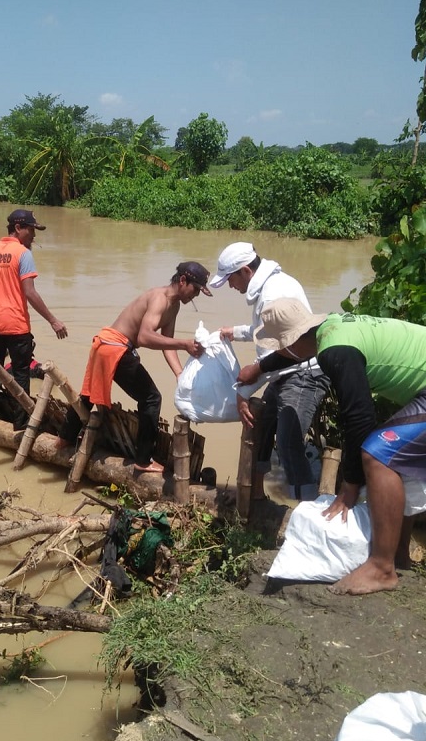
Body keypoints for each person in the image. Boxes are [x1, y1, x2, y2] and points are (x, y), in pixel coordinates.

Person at [240, 298, 426, 596]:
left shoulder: (336, 352)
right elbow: (295, 353)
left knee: (378, 454)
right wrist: (259, 368)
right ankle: (399, 556)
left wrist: (350, 487)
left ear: (291, 341)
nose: (280, 352)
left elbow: (359, 418)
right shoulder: (332, 328)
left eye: (280, 346)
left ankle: (382, 568)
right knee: (393, 451)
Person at [58, 262, 210, 473]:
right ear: (183, 281)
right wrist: (184, 344)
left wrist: (179, 373)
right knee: (151, 398)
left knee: (89, 394)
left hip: (107, 344)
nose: (196, 295)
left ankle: (64, 439)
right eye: (195, 289)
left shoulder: (173, 306)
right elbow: (145, 337)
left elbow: (167, 342)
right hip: (115, 347)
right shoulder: (160, 299)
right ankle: (143, 459)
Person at [210, 242, 330, 502]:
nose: (231, 286)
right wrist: (235, 332)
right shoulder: (273, 283)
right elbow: (265, 333)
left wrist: (242, 393)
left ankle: (304, 508)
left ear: (245, 271)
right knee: (263, 427)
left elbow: (268, 360)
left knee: (288, 443)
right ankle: (256, 497)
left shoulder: (272, 295)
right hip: (287, 369)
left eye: (230, 279)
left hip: (302, 372)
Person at [0, 208, 68, 430]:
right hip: (16, 325)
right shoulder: (23, 254)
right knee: (22, 374)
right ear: (18, 228)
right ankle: (21, 424)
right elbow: (30, 292)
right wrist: (53, 320)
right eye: (31, 230)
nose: (34, 235)